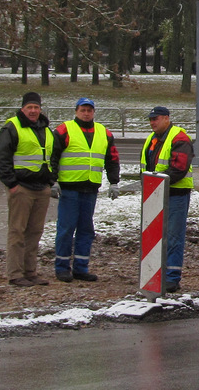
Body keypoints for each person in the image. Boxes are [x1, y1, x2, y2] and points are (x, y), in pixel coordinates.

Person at [50, 98, 121, 282]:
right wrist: (53, 180)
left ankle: (81, 267)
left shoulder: (104, 133)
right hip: (69, 188)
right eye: (83, 110)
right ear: (76, 111)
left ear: (94, 112)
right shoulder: (64, 130)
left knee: (86, 230)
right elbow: (52, 156)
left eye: (89, 110)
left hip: (90, 188)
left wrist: (114, 182)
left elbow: (112, 159)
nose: (86, 113)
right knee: (66, 228)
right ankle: (62, 267)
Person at [0, 91, 56, 287]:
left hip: (41, 188)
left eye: (36, 107)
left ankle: (30, 272)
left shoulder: (45, 129)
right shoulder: (12, 127)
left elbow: (52, 157)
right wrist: (11, 184)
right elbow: (2, 158)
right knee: (17, 232)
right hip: (21, 188)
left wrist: (50, 181)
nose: (33, 111)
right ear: (23, 108)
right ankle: (15, 273)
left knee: (35, 232)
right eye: (29, 107)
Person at [141, 105, 194, 294]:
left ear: (166, 119)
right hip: (156, 195)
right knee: (155, 236)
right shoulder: (153, 139)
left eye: (156, 119)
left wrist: (156, 184)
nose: (152, 123)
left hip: (175, 194)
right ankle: (158, 273)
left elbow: (179, 169)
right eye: (151, 119)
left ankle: (172, 277)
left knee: (172, 237)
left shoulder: (179, 138)